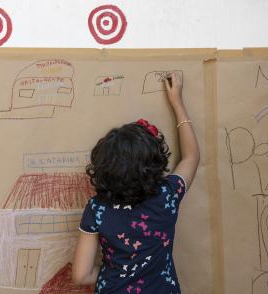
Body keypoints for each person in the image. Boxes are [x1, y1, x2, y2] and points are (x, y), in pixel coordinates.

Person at [72, 72, 199, 293]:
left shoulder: (97, 209)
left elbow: (82, 275)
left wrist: (111, 275)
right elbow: (191, 157)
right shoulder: (167, 196)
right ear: (154, 163)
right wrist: (177, 101)